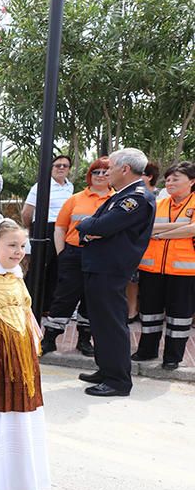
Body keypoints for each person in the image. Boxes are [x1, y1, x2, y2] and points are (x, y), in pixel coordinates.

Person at [0, 219, 51, 490]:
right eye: (11, 245)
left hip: (24, 362)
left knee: (22, 410)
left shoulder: (15, 277)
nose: (18, 252)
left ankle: (21, 479)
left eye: (21, 246)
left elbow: (27, 312)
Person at [77, 148, 157, 396]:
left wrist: (86, 226)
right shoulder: (123, 195)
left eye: (110, 167)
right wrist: (92, 227)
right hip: (101, 266)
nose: (106, 172)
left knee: (111, 324)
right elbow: (98, 226)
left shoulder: (136, 198)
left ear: (125, 169)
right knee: (101, 322)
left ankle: (118, 380)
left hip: (111, 268)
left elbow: (101, 225)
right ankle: (107, 369)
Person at [40, 157, 113, 356]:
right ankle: (50, 339)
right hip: (73, 254)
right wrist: (62, 253)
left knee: (93, 298)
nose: (100, 175)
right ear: (90, 175)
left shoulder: (117, 200)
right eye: (96, 172)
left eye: (105, 171)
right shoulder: (75, 199)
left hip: (102, 255)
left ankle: (84, 339)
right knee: (64, 297)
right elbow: (60, 228)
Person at [133, 161, 195, 370]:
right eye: (167, 179)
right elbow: (144, 228)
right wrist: (179, 227)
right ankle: (146, 350)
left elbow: (192, 230)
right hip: (152, 268)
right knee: (150, 313)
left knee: (180, 316)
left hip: (184, 271)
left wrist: (160, 234)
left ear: (192, 181)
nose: (169, 182)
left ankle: (172, 357)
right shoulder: (159, 204)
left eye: (175, 178)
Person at [22, 155, 76, 312]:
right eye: (57, 165)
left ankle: (47, 306)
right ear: (51, 168)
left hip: (63, 230)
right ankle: (29, 303)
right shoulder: (40, 186)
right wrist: (32, 229)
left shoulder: (69, 187)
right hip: (44, 227)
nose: (61, 168)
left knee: (56, 268)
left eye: (65, 166)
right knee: (39, 267)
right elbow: (27, 211)